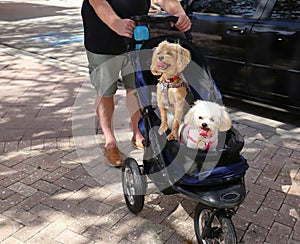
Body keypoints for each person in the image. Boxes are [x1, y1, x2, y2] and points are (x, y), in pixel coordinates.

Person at [81, 0, 191, 167]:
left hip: (137, 35)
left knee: (135, 88)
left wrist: (179, 13)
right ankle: (110, 142)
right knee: (105, 91)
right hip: (101, 37)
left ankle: (137, 133)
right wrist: (115, 22)